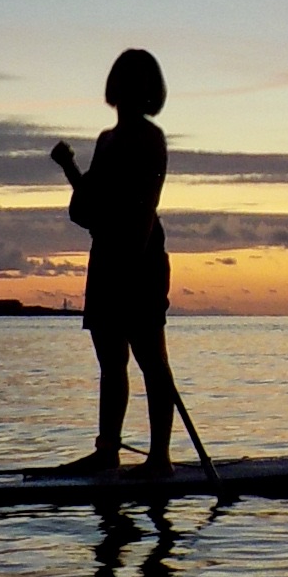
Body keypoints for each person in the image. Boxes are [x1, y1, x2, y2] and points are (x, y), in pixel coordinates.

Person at [51, 49, 176, 476]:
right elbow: (87, 206)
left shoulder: (150, 140)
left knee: (152, 362)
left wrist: (130, 268)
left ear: (149, 90)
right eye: (125, 78)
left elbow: (145, 208)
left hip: (138, 262)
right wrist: (70, 167)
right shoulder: (107, 140)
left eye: (138, 80)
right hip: (106, 257)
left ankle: (160, 459)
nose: (129, 87)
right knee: (111, 363)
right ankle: (108, 451)